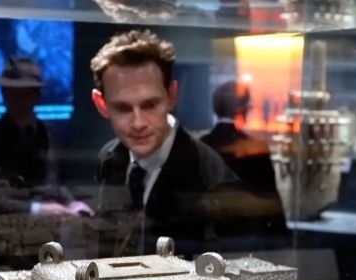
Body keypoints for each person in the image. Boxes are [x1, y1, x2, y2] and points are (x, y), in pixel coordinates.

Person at [90, 29, 238, 256]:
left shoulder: (212, 179)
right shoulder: (109, 158)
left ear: (171, 96)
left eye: (150, 105)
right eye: (122, 108)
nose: (138, 123)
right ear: (101, 105)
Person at [0, 56, 92, 218]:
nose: (20, 101)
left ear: (38, 96)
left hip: (52, 227)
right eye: (13, 94)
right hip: (9, 229)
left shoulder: (50, 133)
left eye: (27, 94)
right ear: (4, 94)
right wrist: (37, 210)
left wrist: (72, 202)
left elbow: (56, 182)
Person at [200, 80, 288, 250]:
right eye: (249, 106)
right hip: (248, 239)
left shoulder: (201, 146)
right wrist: (282, 241)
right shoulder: (256, 149)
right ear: (243, 109)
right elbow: (271, 200)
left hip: (207, 241)